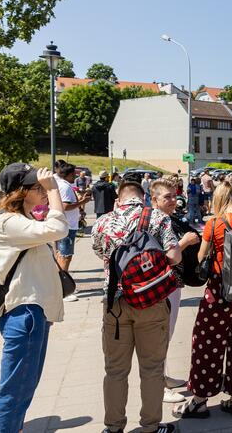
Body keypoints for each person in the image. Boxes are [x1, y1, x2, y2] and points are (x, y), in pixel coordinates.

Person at [91, 180, 181, 433]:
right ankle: (150, 426)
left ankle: (113, 426)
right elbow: (175, 256)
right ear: (143, 199)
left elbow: (101, 254)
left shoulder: (103, 222)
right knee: (152, 368)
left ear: (118, 200)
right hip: (150, 301)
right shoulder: (157, 218)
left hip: (115, 303)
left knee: (115, 370)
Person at [0, 164, 68, 432]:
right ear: (20, 192)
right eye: (38, 187)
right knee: (13, 390)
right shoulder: (8, 222)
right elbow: (58, 229)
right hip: (25, 313)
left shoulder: (23, 220)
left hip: (33, 312)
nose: (43, 191)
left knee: (24, 386)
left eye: (44, 187)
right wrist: (54, 189)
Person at [173, 183, 232, 419]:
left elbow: (201, 257)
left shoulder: (215, 224)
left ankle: (201, 399)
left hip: (220, 294)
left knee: (207, 344)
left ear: (219, 199)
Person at [149, 179, 201, 403]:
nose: (173, 200)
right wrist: (185, 242)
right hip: (162, 285)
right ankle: (157, 387)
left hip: (173, 284)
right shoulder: (153, 222)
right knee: (160, 336)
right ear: (154, 200)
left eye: (173, 195)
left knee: (166, 335)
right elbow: (158, 256)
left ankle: (163, 376)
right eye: (166, 197)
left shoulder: (167, 218)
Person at [54, 162, 90, 301]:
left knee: (61, 255)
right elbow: (65, 206)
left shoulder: (61, 185)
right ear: (69, 174)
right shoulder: (65, 187)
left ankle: (60, 286)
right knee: (65, 255)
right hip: (67, 226)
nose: (75, 176)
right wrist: (81, 203)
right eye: (74, 174)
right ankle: (63, 290)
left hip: (66, 225)